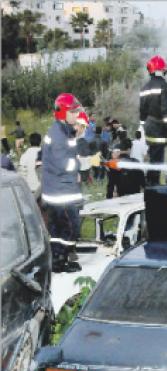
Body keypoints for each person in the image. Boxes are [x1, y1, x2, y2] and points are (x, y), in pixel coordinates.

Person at [41, 93, 87, 273]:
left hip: (56, 191)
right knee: (71, 228)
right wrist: (77, 165)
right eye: (73, 111)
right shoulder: (59, 135)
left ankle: (58, 260)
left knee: (57, 229)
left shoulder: (61, 130)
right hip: (61, 193)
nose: (77, 114)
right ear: (62, 113)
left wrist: (78, 133)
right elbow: (63, 163)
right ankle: (63, 259)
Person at [140, 55, 167, 186]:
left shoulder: (144, 88)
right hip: (159, 128)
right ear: (162, 69)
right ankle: (154, 185)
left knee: (153, 156)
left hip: (149, 127)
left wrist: (143, 126)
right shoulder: (165, 86)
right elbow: (166, 110)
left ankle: (150, 182)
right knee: (158, 159)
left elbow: (142, 111)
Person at [18, 132, 42, 197]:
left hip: (30, 191)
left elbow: (21, 176)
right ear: (40, 141)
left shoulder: (24, 156)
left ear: (30, 142)